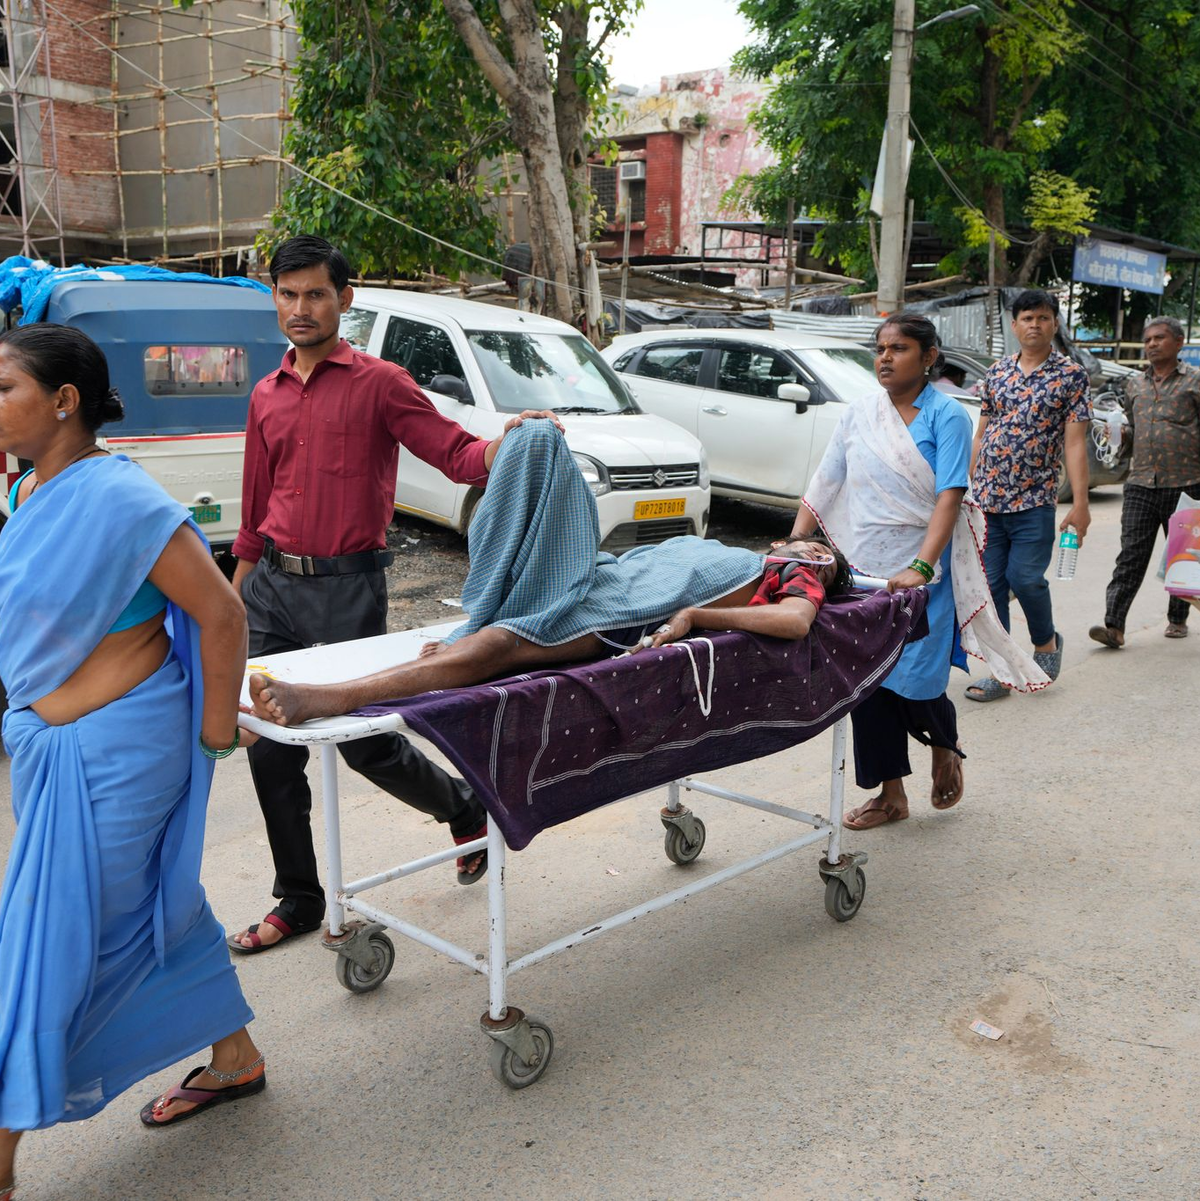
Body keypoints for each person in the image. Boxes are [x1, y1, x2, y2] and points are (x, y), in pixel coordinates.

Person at [229, 235, 561, 954]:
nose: (300, 308)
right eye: (287, 294)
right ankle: (299, 897)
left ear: (344, 299)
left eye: (315, 293)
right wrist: (236, 600)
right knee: (268, 747)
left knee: (366, 745)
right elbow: (253, 509)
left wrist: (509, 442)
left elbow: (455, 452)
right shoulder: (266, 393)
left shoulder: (380, 382)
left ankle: (464, 803)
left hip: (347, 592)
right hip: (272, 591)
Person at [0, 325, 265, 1197]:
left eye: (4, 387)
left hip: (120, 754)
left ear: (63, 400)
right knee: (154, 905)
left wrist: (217, 736)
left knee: (44, 941)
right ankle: (233, 1054)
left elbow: (222, 615)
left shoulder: (120, 498)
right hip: (59, 752)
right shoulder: (31, 491)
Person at [242, 419, 853, 728]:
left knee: (496, 647)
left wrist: (695, 616)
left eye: (820, 556)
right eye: (811, 548)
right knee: (536, 441)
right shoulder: (747, 551)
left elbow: (797, 622)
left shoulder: (785, 574)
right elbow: (644, 564)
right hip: (597, 577)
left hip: (608, 613)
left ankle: (326, 699)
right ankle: (491, 604)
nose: (809, 551)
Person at [788, 313, 1049, 830]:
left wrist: (922, 565)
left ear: (928, 357)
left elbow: (950, 494)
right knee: (866, 681)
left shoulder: (946, 416)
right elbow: (827, 480)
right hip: (863, 569)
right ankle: (890, 795)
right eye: (881, 348)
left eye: (899, 348)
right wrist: (796, 542)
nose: (885, 357)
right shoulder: (859, 413)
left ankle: (944, 744)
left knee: (917, 680)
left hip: (924, 569)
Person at [964, 289, 1092, 702]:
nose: (1033, 324)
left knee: (1025, 578)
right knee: (992, 588)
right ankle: (1002, 672)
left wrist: (1081, 505)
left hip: (1034, 500)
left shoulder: (1071, 376)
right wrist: (965, 488)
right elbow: (982, 434)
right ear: (1014, 325)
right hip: (987, 499)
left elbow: (1075, 445)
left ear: (1054, 323)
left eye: (1042, 317)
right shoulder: (998, 372)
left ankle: (1045, 644)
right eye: (1026, 318)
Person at [1089, 315, 1200, 647]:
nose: (1152, 344)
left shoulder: (1194, 382)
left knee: (1182, 555)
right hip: (1140, 483)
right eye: (1148, 339)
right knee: (1131, 554)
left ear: (1178, 343)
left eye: (1160, 338)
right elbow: (1132, 430)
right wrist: (1118, 434)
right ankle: (1114, 626)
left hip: (1187, 483)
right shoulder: (1134, 384)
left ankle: (1177, 618)